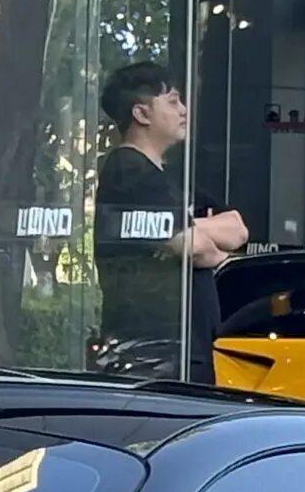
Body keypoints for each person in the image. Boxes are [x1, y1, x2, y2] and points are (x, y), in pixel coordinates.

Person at [91, 61, 245, 381]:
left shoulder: (169, 176)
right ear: (141, 114)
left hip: (184, 349)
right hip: (153, 356)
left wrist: (184, 227)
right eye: (173, 101)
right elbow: (198, 248)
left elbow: (236, 228)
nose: (184, 110)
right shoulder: (129, 173)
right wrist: (193, 234)